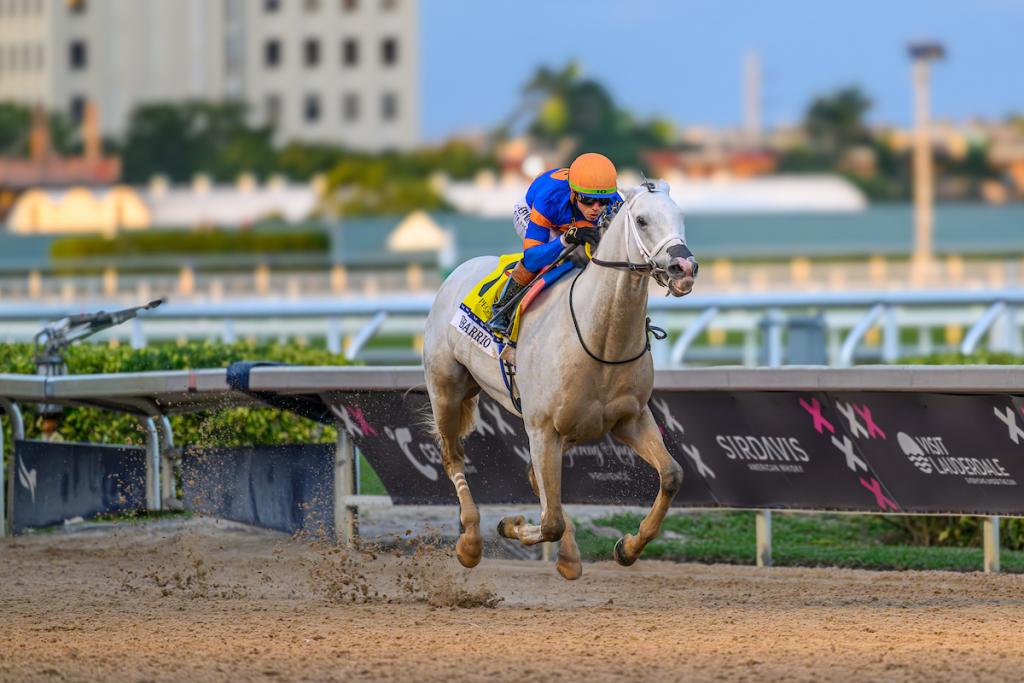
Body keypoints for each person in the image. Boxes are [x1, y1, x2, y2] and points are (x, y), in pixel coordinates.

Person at [488, 152, 622, 335]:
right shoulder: (549, 199)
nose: (596, 208)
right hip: (535, 213)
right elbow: (533, 256)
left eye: (603, 201)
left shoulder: (615, 203)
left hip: (572, 219)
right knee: (559, 256)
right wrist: (564, 239)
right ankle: (502, 308)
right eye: (588, 200)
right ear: (574, 192)